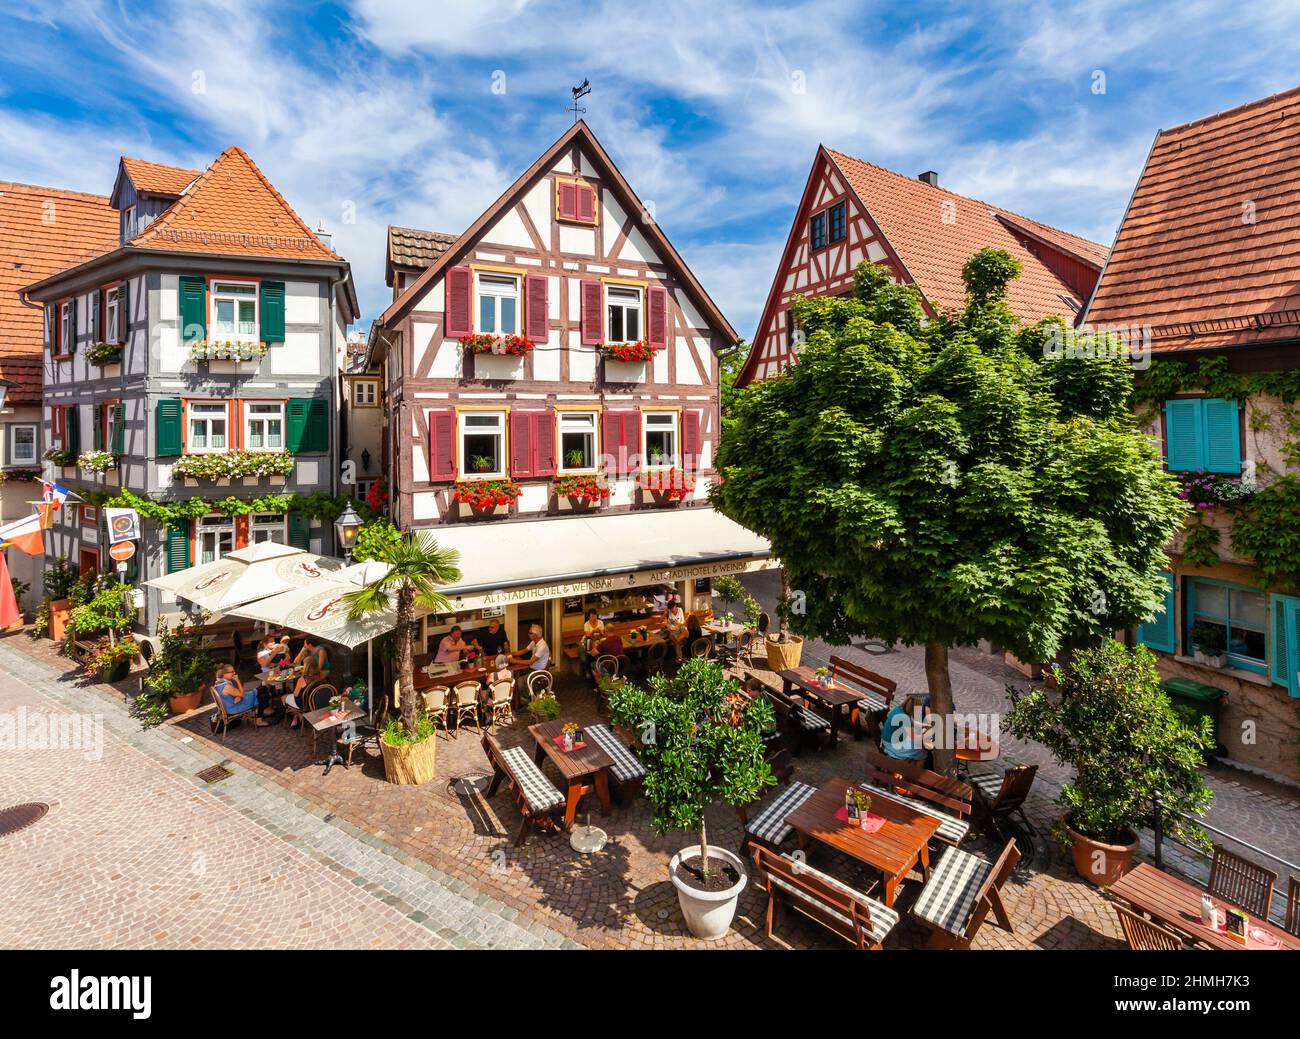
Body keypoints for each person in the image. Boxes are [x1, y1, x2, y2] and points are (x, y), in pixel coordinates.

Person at [285, 636, 329, 727]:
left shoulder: (321, 651)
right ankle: (299, 714)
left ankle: (297, 715)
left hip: (321, 672)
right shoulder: (307, 651)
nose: (303, 645)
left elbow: (319, 668)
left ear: (309, 645)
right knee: (306, 683)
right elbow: (295, 662)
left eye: (305, 644)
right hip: (312, 673)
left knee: (289, 695)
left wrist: (306, 671)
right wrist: (302, 651)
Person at [881, 694, 929, 761]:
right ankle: (915, 770)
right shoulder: (904, 718)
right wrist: (925, 731)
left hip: (887, 740)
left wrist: (923, 725)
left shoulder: (899, 709)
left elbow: (912, 722)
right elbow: (916, 738)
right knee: (922, 753)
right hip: (891, 746)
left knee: (918, 746)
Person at [578, 609, 605, 677]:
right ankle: (587, 671)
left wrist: (600, 632)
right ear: (589, 617)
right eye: (592, 616)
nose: (594, 618)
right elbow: (587, 635)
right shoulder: (586, 624)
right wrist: (593, 631)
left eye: (595, 616)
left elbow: (603, 634)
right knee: (584, 657)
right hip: (587, 642)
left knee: (598, 653)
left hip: (597, 642)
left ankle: (598, 671)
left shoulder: (600, 622)